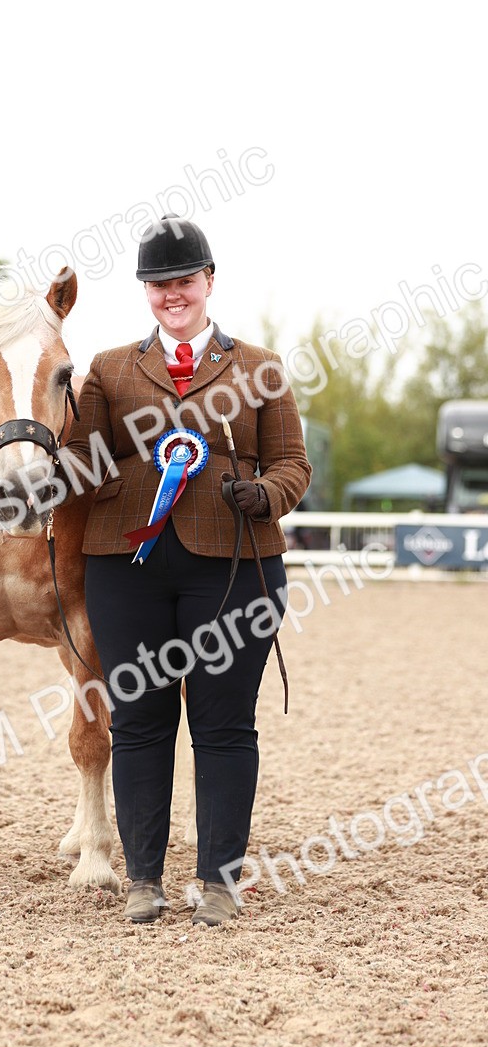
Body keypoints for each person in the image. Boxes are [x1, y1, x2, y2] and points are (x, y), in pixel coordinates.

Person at [62, 214, 311, 925]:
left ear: (209, 282)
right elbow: (79, 462)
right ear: (146, 291)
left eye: (184, 281)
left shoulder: (259, 367)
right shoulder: (108, 370)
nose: (173, 294)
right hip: (125, 563)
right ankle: (144, 879)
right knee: (138, 721)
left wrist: (262, 493)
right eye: (159, 284)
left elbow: (294, 462)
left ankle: (221, 881)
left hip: (234, 562)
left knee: (224, 724)